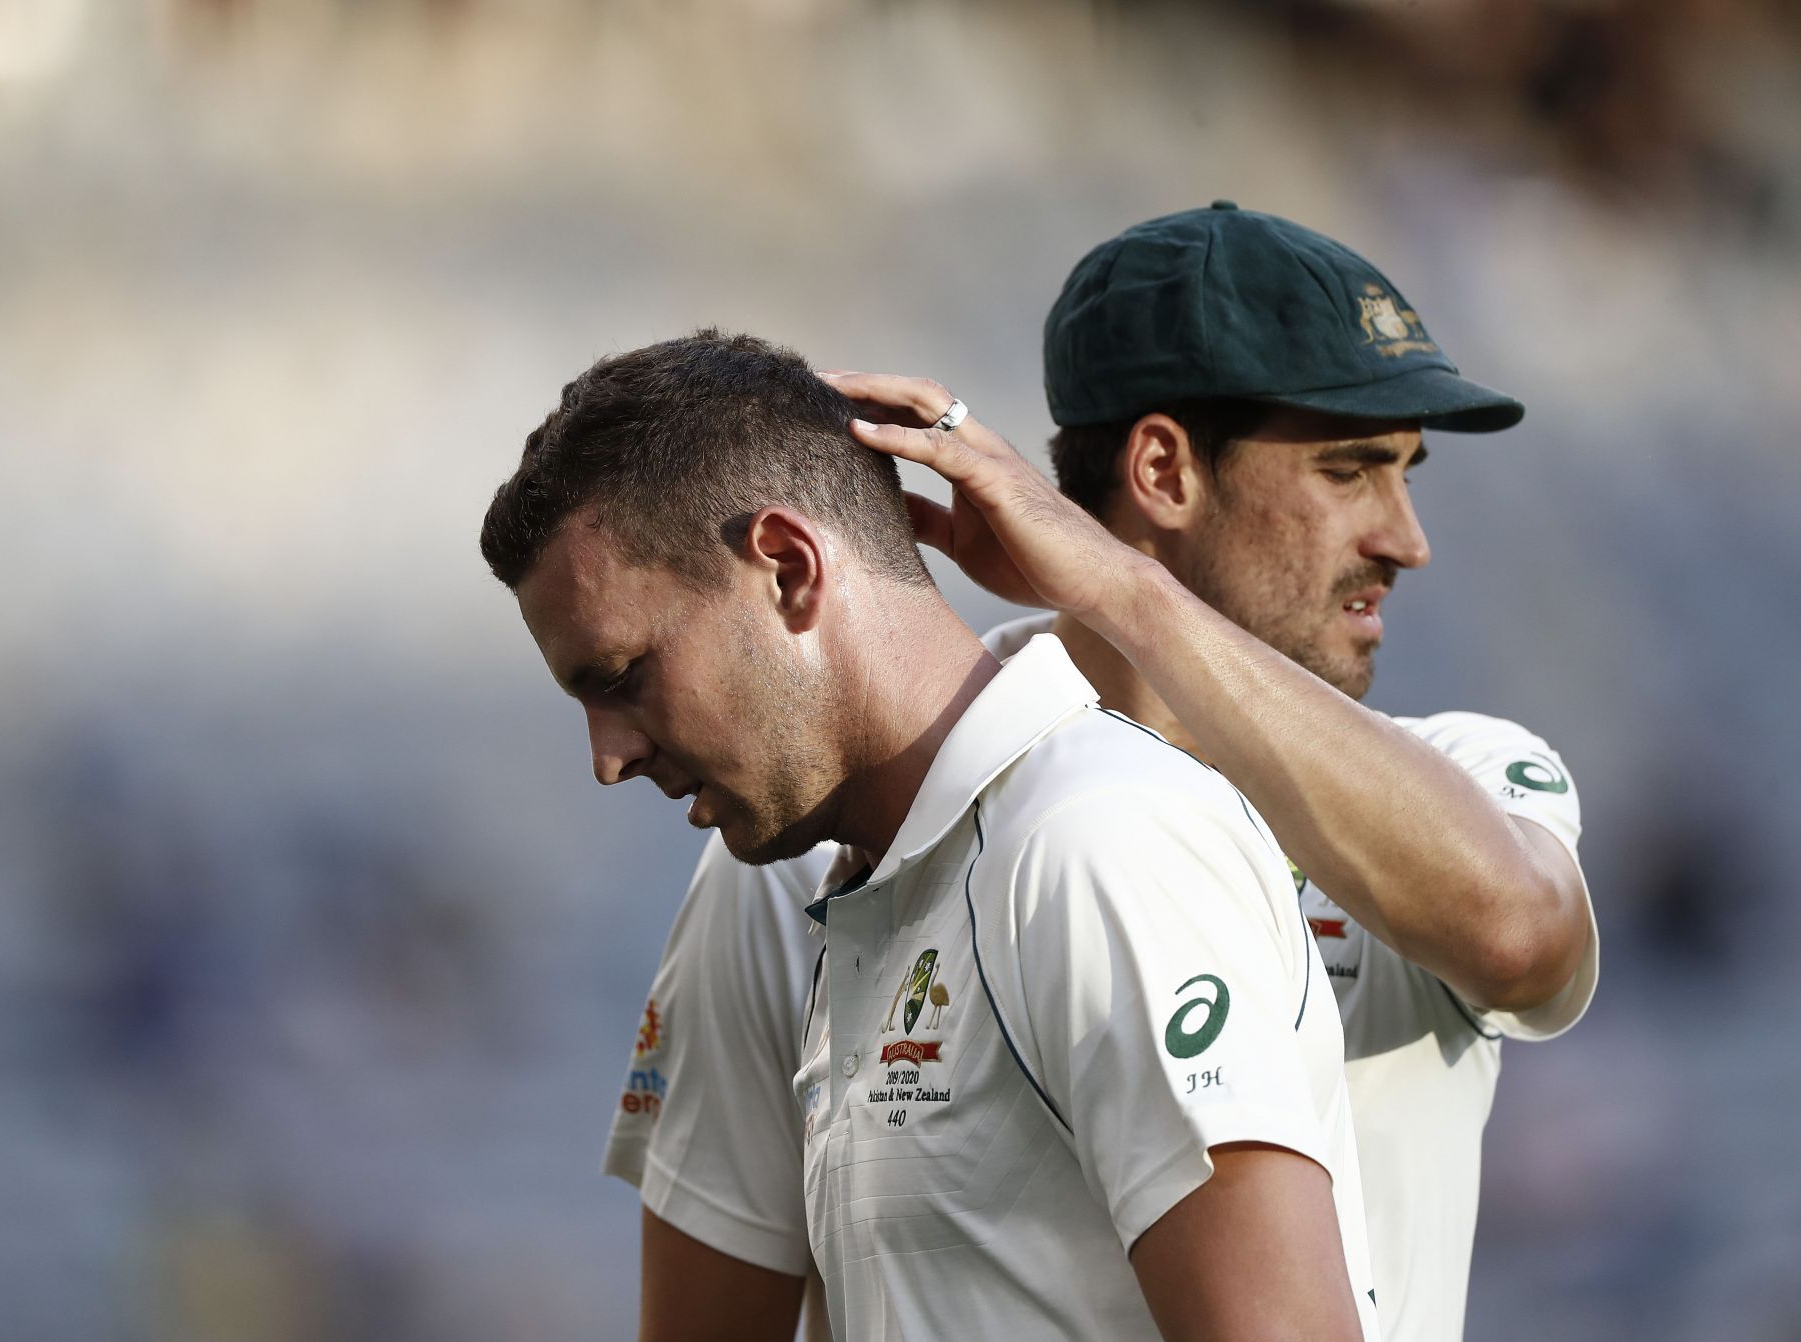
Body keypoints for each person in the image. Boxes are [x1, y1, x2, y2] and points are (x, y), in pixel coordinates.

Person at [604, 206, 1598, 1342]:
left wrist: (1121, 588)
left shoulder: (1465, 775)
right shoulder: (806, 861)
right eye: (1351, 470)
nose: (1406, 537)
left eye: (1406, 474)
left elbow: (1520, 937)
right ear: (1164, 470)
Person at [483, 329, 1379, 1341]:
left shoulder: (1095, 844)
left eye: (624, 675)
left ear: (786, 569)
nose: (608, 757)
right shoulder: (857, 885)